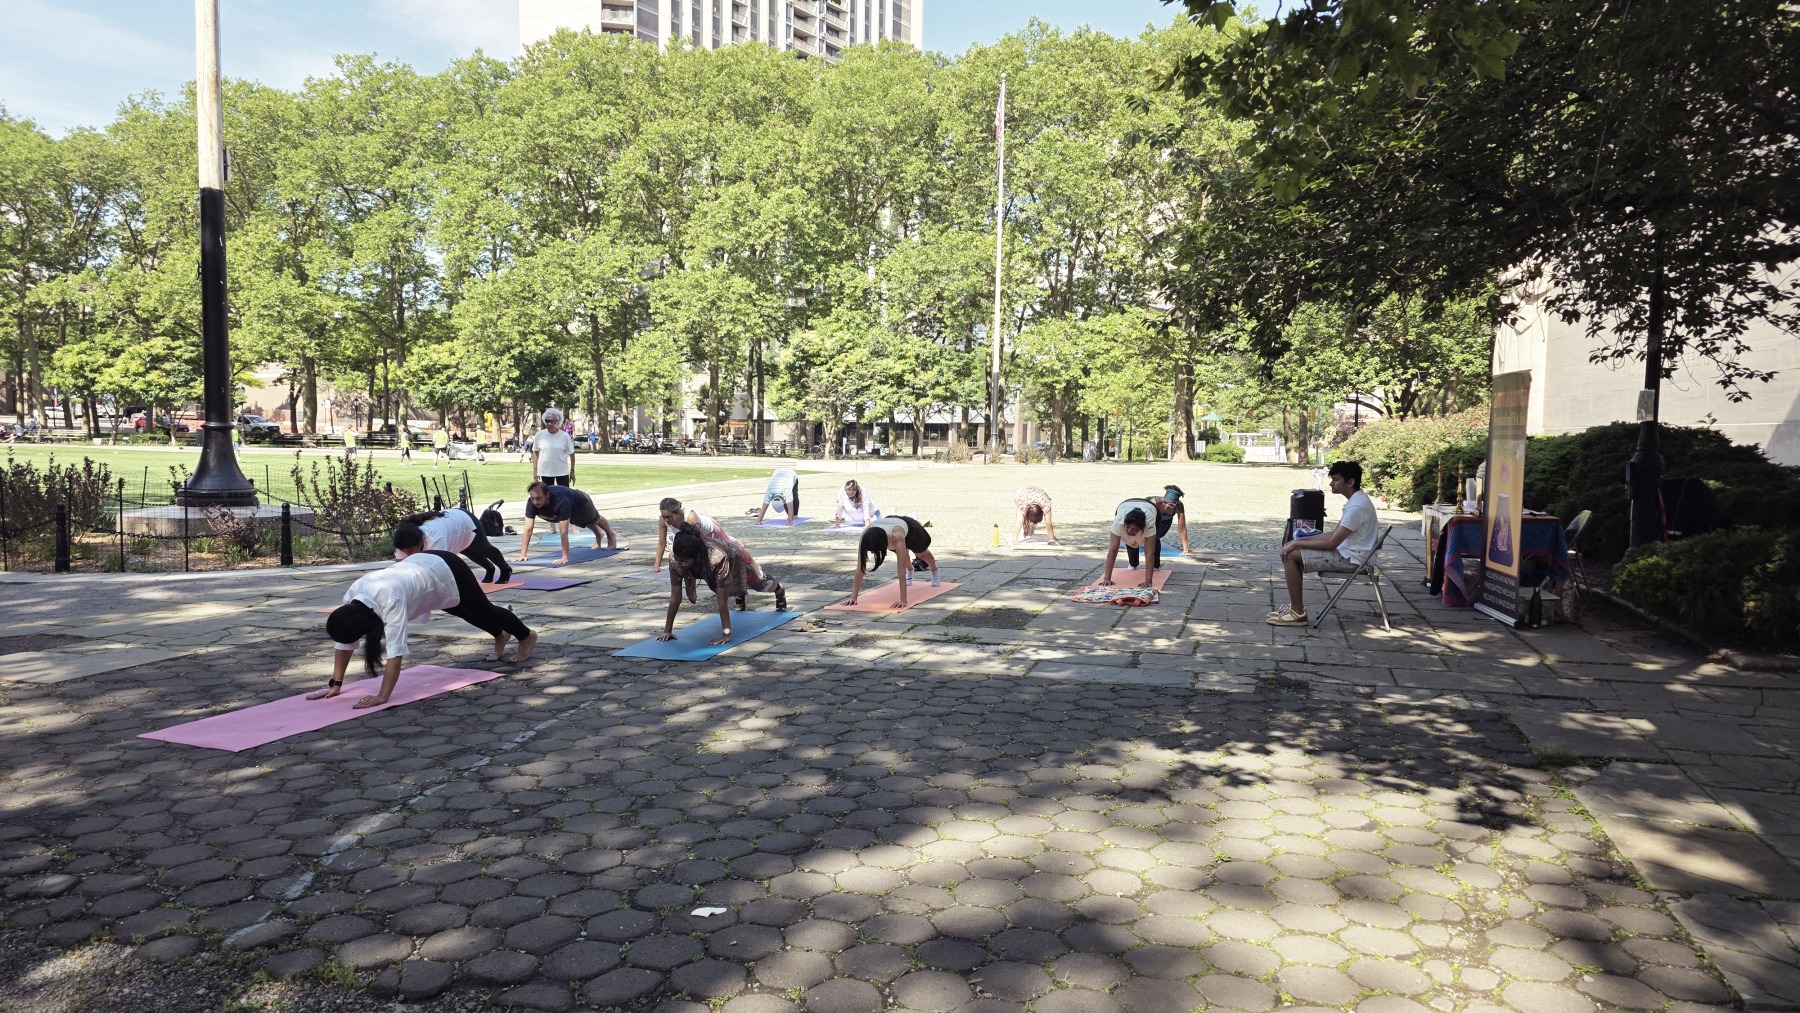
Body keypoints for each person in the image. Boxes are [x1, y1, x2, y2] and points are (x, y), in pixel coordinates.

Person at [311, 523, 537, 708]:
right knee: (462, 611)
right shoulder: (353, 599)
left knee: (482, 609)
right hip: (423, 574)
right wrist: (335, 684)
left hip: (445, 567)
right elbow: (344, 643)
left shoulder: (390, 602)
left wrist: (382, 696)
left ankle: (526, 636)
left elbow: (395, 654)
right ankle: (500, 634)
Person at [1270, 460, 1380, 626]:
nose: (1331, 483)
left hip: (1352, 560)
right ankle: (1295, 610)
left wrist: (1296, 545)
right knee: (1291, 549)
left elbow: (1331, 544)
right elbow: (1333, 534)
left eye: (1335, 479)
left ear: (1350, 482)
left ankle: (1297, 612)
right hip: (1351, 554)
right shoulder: (1357, 501)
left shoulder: (1357, 507)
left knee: (1290, 555)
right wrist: (1298, 540)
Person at [658, 530, 788, 645]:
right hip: (712, 561)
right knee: (730, 587)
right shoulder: (675, 561)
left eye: (684, 561)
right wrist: (667, 631)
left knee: (758, 583)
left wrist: (726, 635)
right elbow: (675, 598)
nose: (680, 564)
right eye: (678, 559)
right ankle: (740, 596)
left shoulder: (716, 558)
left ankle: (779, 589)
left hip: (736, 556)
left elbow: (722, 601)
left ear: (697, 557)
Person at [517, 481, 618, 565]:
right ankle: (599, 534)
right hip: (569, 503)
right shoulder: (531, 503)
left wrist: (564, 557)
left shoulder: (560, 500)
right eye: (533, 498)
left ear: (547, 495)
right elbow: (528, 530)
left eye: (538, 498)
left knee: (594, 518)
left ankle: (611, 534)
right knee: (581, 520)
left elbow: (563, 532)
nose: (535, 502)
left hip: (581, 501)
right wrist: (523, 554)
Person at [401, 508, 511, 585]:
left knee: (483, 547)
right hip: (451, 527)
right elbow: (401, 566)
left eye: (411, 551)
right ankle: (489, 568)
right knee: (466, 550)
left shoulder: (435, 538)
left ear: (419, 542)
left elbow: (441, 566)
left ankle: (505, 569)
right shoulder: (402, 541)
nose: (409, 555)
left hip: (464, 519)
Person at [851, 516, 939, 609]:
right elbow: (860, 567)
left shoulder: (896, 536)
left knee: (921, 554)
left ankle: (934, 570)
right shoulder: (865, 536)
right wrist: (853, 598)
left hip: (910, 529)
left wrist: (903, 600)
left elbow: (901, 569)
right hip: (888, 526)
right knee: (902, 553)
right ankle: (910, 570)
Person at [653, 497, 748, 573]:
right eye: (663, 517)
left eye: (669, 517)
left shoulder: (690, 517)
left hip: (711, 531)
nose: (666, 520)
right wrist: (657, 565)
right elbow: (661, 542)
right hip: (695, 537)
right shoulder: (663, 521)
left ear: (677, 513)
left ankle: (738, 546)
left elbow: (698, 540)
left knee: (729, 549)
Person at [1100, 499, 1161, 587]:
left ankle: (1156, 564)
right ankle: (1133, 563)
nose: (1129, 531)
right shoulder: (1119, 520)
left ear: (1142, 528)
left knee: (1153, 541)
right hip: (1125, 504)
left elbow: (1149, 552)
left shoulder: (1149, 522)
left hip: (1151, 507)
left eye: (1134, 529)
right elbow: (1113, 550)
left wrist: (1148, 581)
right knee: (1130, 540)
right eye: (1127, 527)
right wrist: (1107, 578)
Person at [531, 409, 577, 487]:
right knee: (547, 493)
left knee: (564, 493)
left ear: (558, 422)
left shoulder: (565, 436)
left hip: (562, 472)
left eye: (552, 421)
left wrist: (572, 471)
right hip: (545, 472)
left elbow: (572, 454)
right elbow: (535, 452)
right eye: (547, 421)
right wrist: (535, 471)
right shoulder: (540, 435)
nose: (549, 424)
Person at [1147, 486, 1191, 557]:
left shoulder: (1179, 506)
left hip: (1166, 519)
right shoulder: (1155, 502)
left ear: (1176, 504)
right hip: (1147, 517)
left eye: (1171, 505)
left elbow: (1182, 528)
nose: (1167, 506)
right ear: (1163, 499)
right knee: (1148, 533)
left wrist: (1186, 550)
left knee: (1159, 535)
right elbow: (1148, 524)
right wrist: (1149, 550)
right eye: (1165, 502)